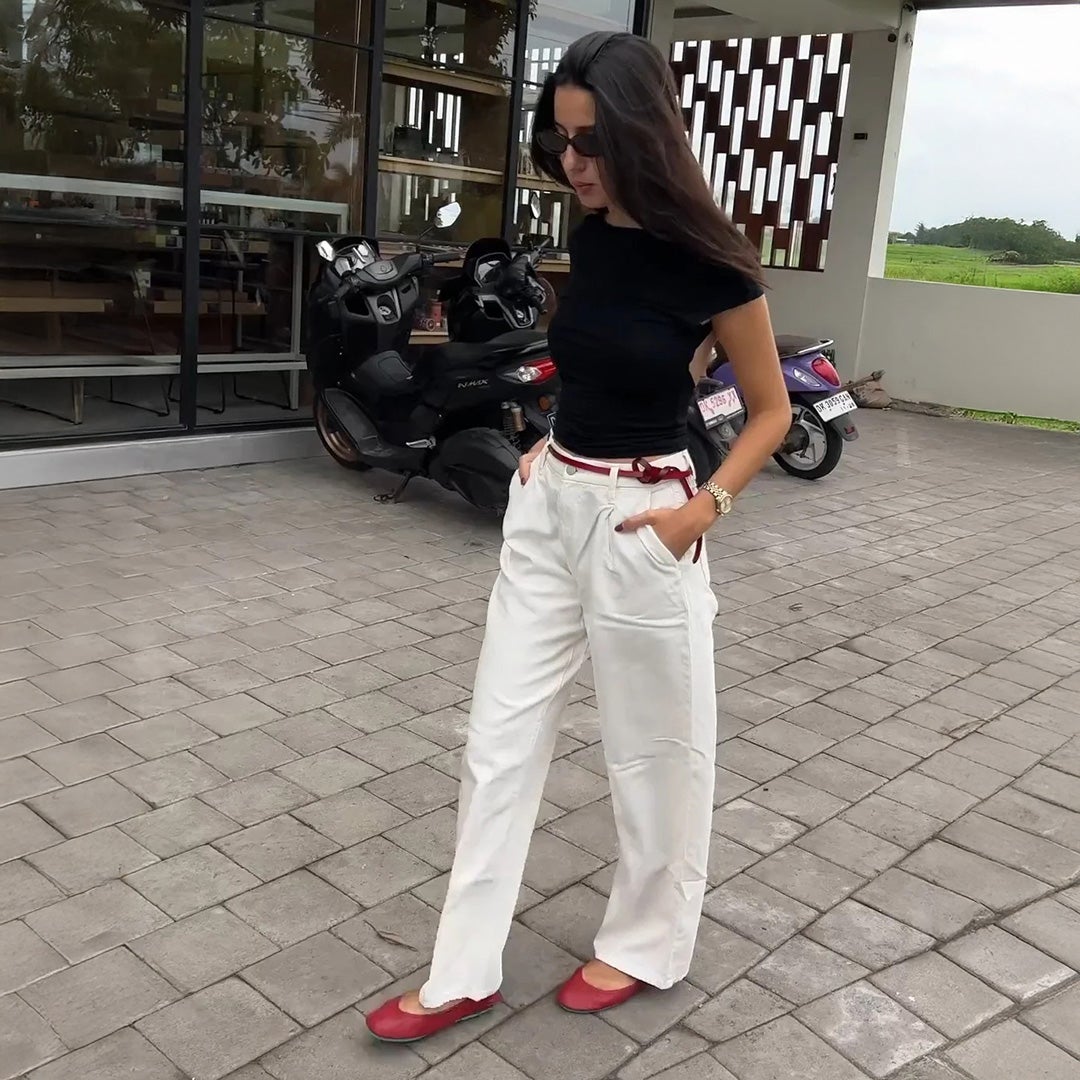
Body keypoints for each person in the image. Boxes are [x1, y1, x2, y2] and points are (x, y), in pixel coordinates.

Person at [366, 30, 791, 1042]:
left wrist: (703, 512)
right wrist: (550, 447)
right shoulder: (590, 235)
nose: (574, 166)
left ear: (645, 132)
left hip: (649, 519)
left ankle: (646, 944)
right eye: (559, 144)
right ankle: (462, 970)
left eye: (590, 142)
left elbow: (769, 411)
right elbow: (597, 364)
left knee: (658, 752)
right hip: (550, 505)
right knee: (497, 745)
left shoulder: (710, 264)